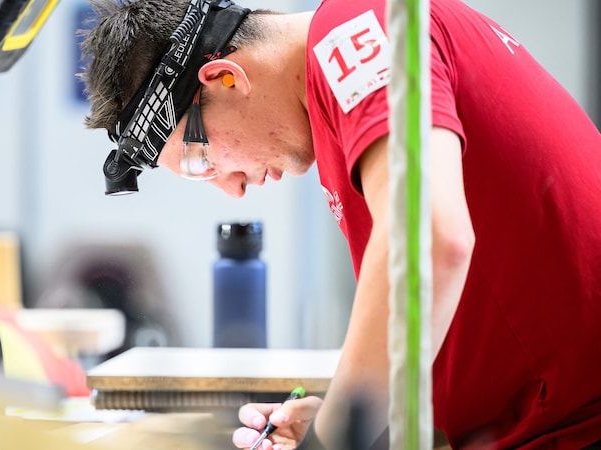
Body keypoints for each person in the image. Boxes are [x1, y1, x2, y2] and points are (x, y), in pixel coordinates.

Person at [78, 0, 601, 448]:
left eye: (200, 160)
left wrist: (330, 443)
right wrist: (350, 416)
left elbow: (427, 242)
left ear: (225, 79)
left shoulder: (353, 33)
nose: (230, 186)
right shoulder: (343, 92)